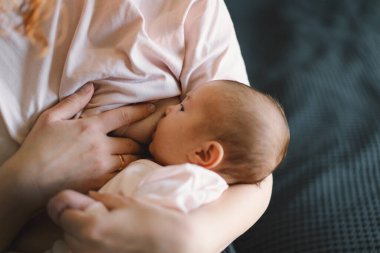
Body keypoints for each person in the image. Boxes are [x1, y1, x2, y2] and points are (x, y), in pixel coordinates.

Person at [0, 0, 274, 252]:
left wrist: (189, 238)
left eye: (180, 107)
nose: (169, 110)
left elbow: (251, 162)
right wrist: (25, 181)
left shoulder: (191, 9)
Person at [46, 80, 289, 253]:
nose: (169, 109)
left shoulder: (183, 184)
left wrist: (72, 207)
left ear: (204, 153)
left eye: (182, 108)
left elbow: (130, 229)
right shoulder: (195, 185)